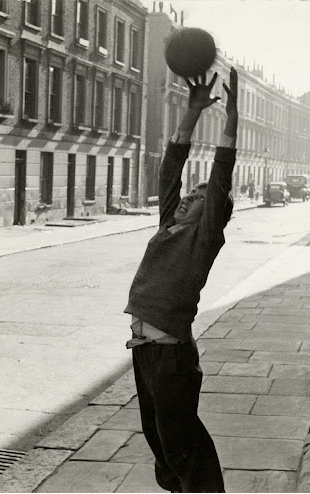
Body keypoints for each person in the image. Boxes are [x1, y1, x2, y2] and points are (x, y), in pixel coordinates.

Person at [124, 68, 238, 493]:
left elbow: (222, 175)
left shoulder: (204, 238)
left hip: (171, 357)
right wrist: (191, 114)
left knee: (184, 446)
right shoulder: (169, 225)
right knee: (162, 447)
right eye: (192, 193)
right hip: (145, 353)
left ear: (213, 213)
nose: (190, 196)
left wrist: (231, 120)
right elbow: (171, 168)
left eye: (201, 198)